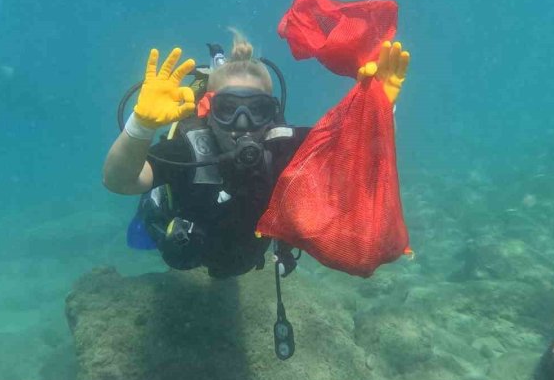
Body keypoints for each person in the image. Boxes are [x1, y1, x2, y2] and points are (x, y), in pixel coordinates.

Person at [102, 31, 410, 280]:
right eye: (227, 109)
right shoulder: (188, 150)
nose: (242, 125)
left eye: (257, 111)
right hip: (186, 247)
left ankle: (219, 66)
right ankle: (155, 206)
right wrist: (140, 126)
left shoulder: (284, 148)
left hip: (244, 254)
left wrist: (379, 109)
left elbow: (358, 163)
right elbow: (120, 181)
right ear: (208, 110)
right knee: (173, 246)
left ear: (273, 114)